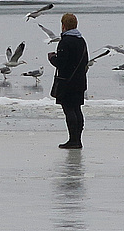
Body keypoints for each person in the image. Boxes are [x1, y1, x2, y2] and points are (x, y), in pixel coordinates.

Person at [48, 13, 89, 149]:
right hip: (80, 81)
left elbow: (61, 63)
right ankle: (78, 140)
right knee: (77, 109)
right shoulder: (81, 40)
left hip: (67, 82)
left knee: (69, 110)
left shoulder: (65, 41)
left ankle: (73, 140)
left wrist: (52, 58)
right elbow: (85, 62)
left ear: (64, 25)